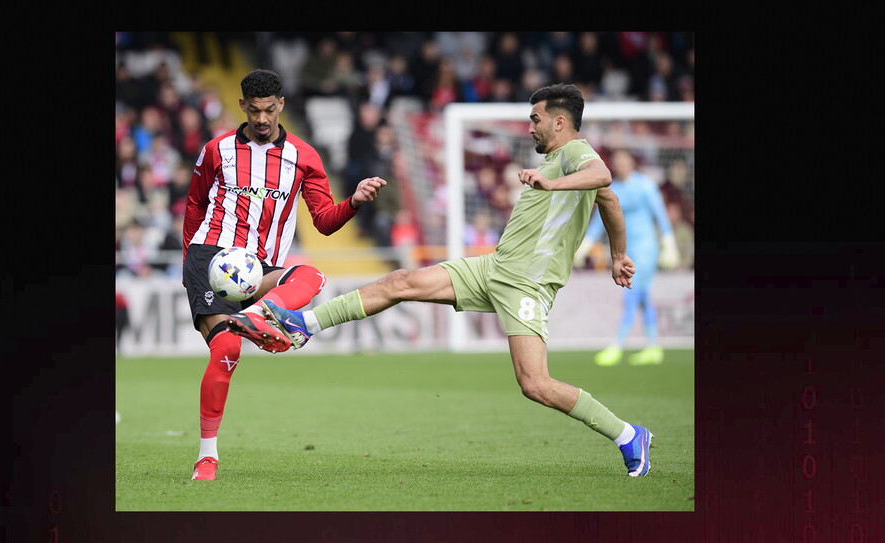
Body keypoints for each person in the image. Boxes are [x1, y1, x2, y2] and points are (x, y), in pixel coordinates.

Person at [242, 83, 655, 477]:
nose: (530, 127)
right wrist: (618, 255)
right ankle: (304, 324)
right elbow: (610, 201)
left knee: (535, 384)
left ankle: (628, 435)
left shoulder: (574, 153)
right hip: (495, 267)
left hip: (527, 284)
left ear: (559, 123)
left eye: (535, 119)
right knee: (401, 281)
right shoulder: (554, 159)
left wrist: (553, 183)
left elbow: (602, 176)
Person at [181, 69, 387, 481]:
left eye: (269, 110)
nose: (261, 119)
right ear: (242, 106)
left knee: (312, 275)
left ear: (281, 106)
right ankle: (207, 457)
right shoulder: (217, 150)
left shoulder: (304, 157)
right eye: (254, 110)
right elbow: (194, 206)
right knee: (227, 348)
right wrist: (192, 265)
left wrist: (355, 201)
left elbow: (325, 222)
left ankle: (256, 319)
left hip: (260, 268)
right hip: (211, 258)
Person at [575, 148, 680, 367]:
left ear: (632, 162)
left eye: (624, 161)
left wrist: (668, 243)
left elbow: (660, 214)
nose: (620, 165)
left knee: (632, 293)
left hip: (646, 248)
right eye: (617, 162)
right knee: (642, 296)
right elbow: (599, 222)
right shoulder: (614, 190)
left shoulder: (645, 185)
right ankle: (653, 346)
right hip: (626, 251)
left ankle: (617, 345)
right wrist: (585, 246)